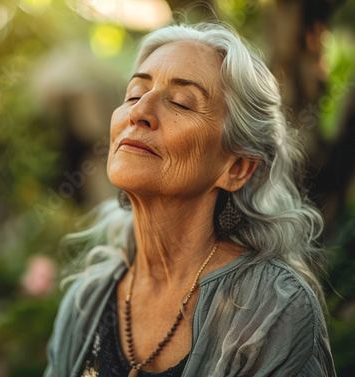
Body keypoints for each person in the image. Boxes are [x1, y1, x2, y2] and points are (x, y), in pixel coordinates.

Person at [43, 20, 337, 377]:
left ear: (238, 168)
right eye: (134, 94)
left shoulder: (273, 310)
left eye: (181, 103)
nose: (139, 112)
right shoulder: (86, 304)